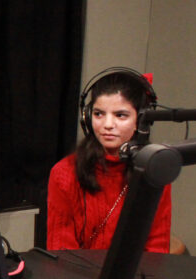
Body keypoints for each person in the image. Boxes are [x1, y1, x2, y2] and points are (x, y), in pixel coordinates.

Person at [47, 69, 172, 253]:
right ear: (87, 117)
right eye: (98, 114)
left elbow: (157, 247)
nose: (107, 125)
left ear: (142, 119)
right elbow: (61, 251)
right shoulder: (64, 173)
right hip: (75, 278)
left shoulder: (154, 171)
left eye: (120, 115)